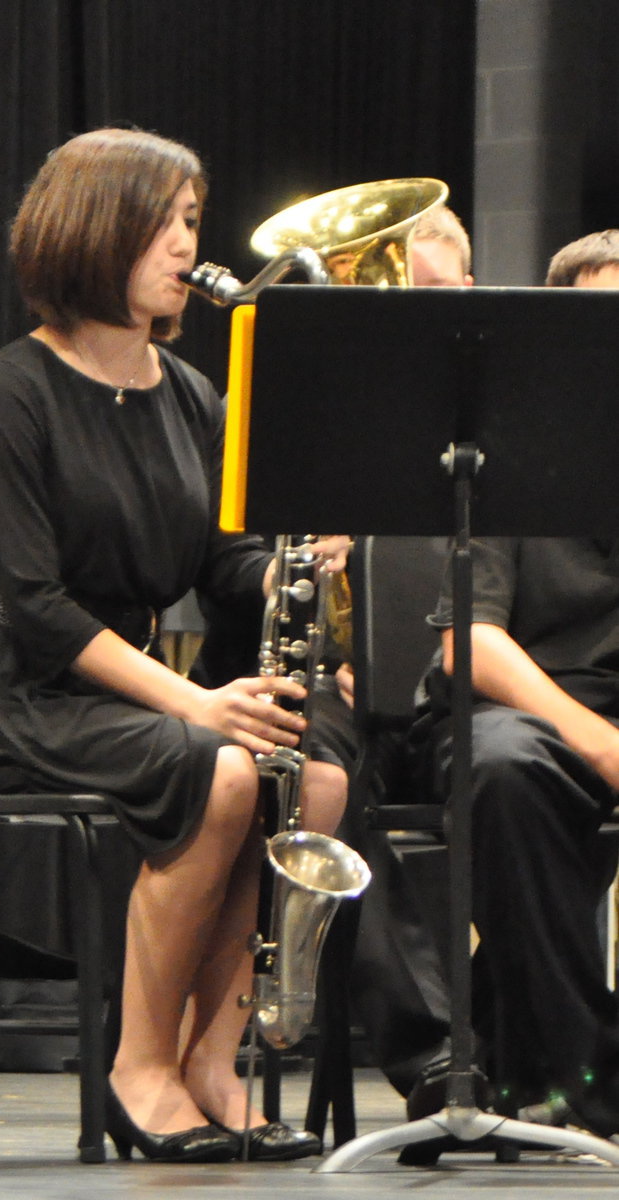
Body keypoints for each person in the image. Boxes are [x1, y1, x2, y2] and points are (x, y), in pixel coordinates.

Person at [0, 127, 352, 1164]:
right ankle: (138, 1068)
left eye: (192, 222)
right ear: (93, 231)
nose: (184, 245)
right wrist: (196, 702)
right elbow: (32, 606)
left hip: (134, 693)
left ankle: (213, 1058)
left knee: (317, 775)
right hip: (17, 695)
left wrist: (302, 568)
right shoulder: (7, 395)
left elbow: (224, 567)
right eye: (164, 222)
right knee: (218, 773)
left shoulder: (191, 397)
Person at [407, 228, 619, 1136]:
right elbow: (471, 646)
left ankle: (492, 1051)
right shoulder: (500, 451)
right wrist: (598, 738)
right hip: (518, 708)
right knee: (506, 773)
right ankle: (591, 1084)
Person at [310, 203, 472, 1116]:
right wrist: (344, 645)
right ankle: (436, 1056)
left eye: (442, 301)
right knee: (329, 779)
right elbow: (247, 573)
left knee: (521, 789)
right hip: (351, 699)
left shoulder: (498, 420)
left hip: (457, 698)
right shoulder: (322, 414)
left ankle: (514, 1040)